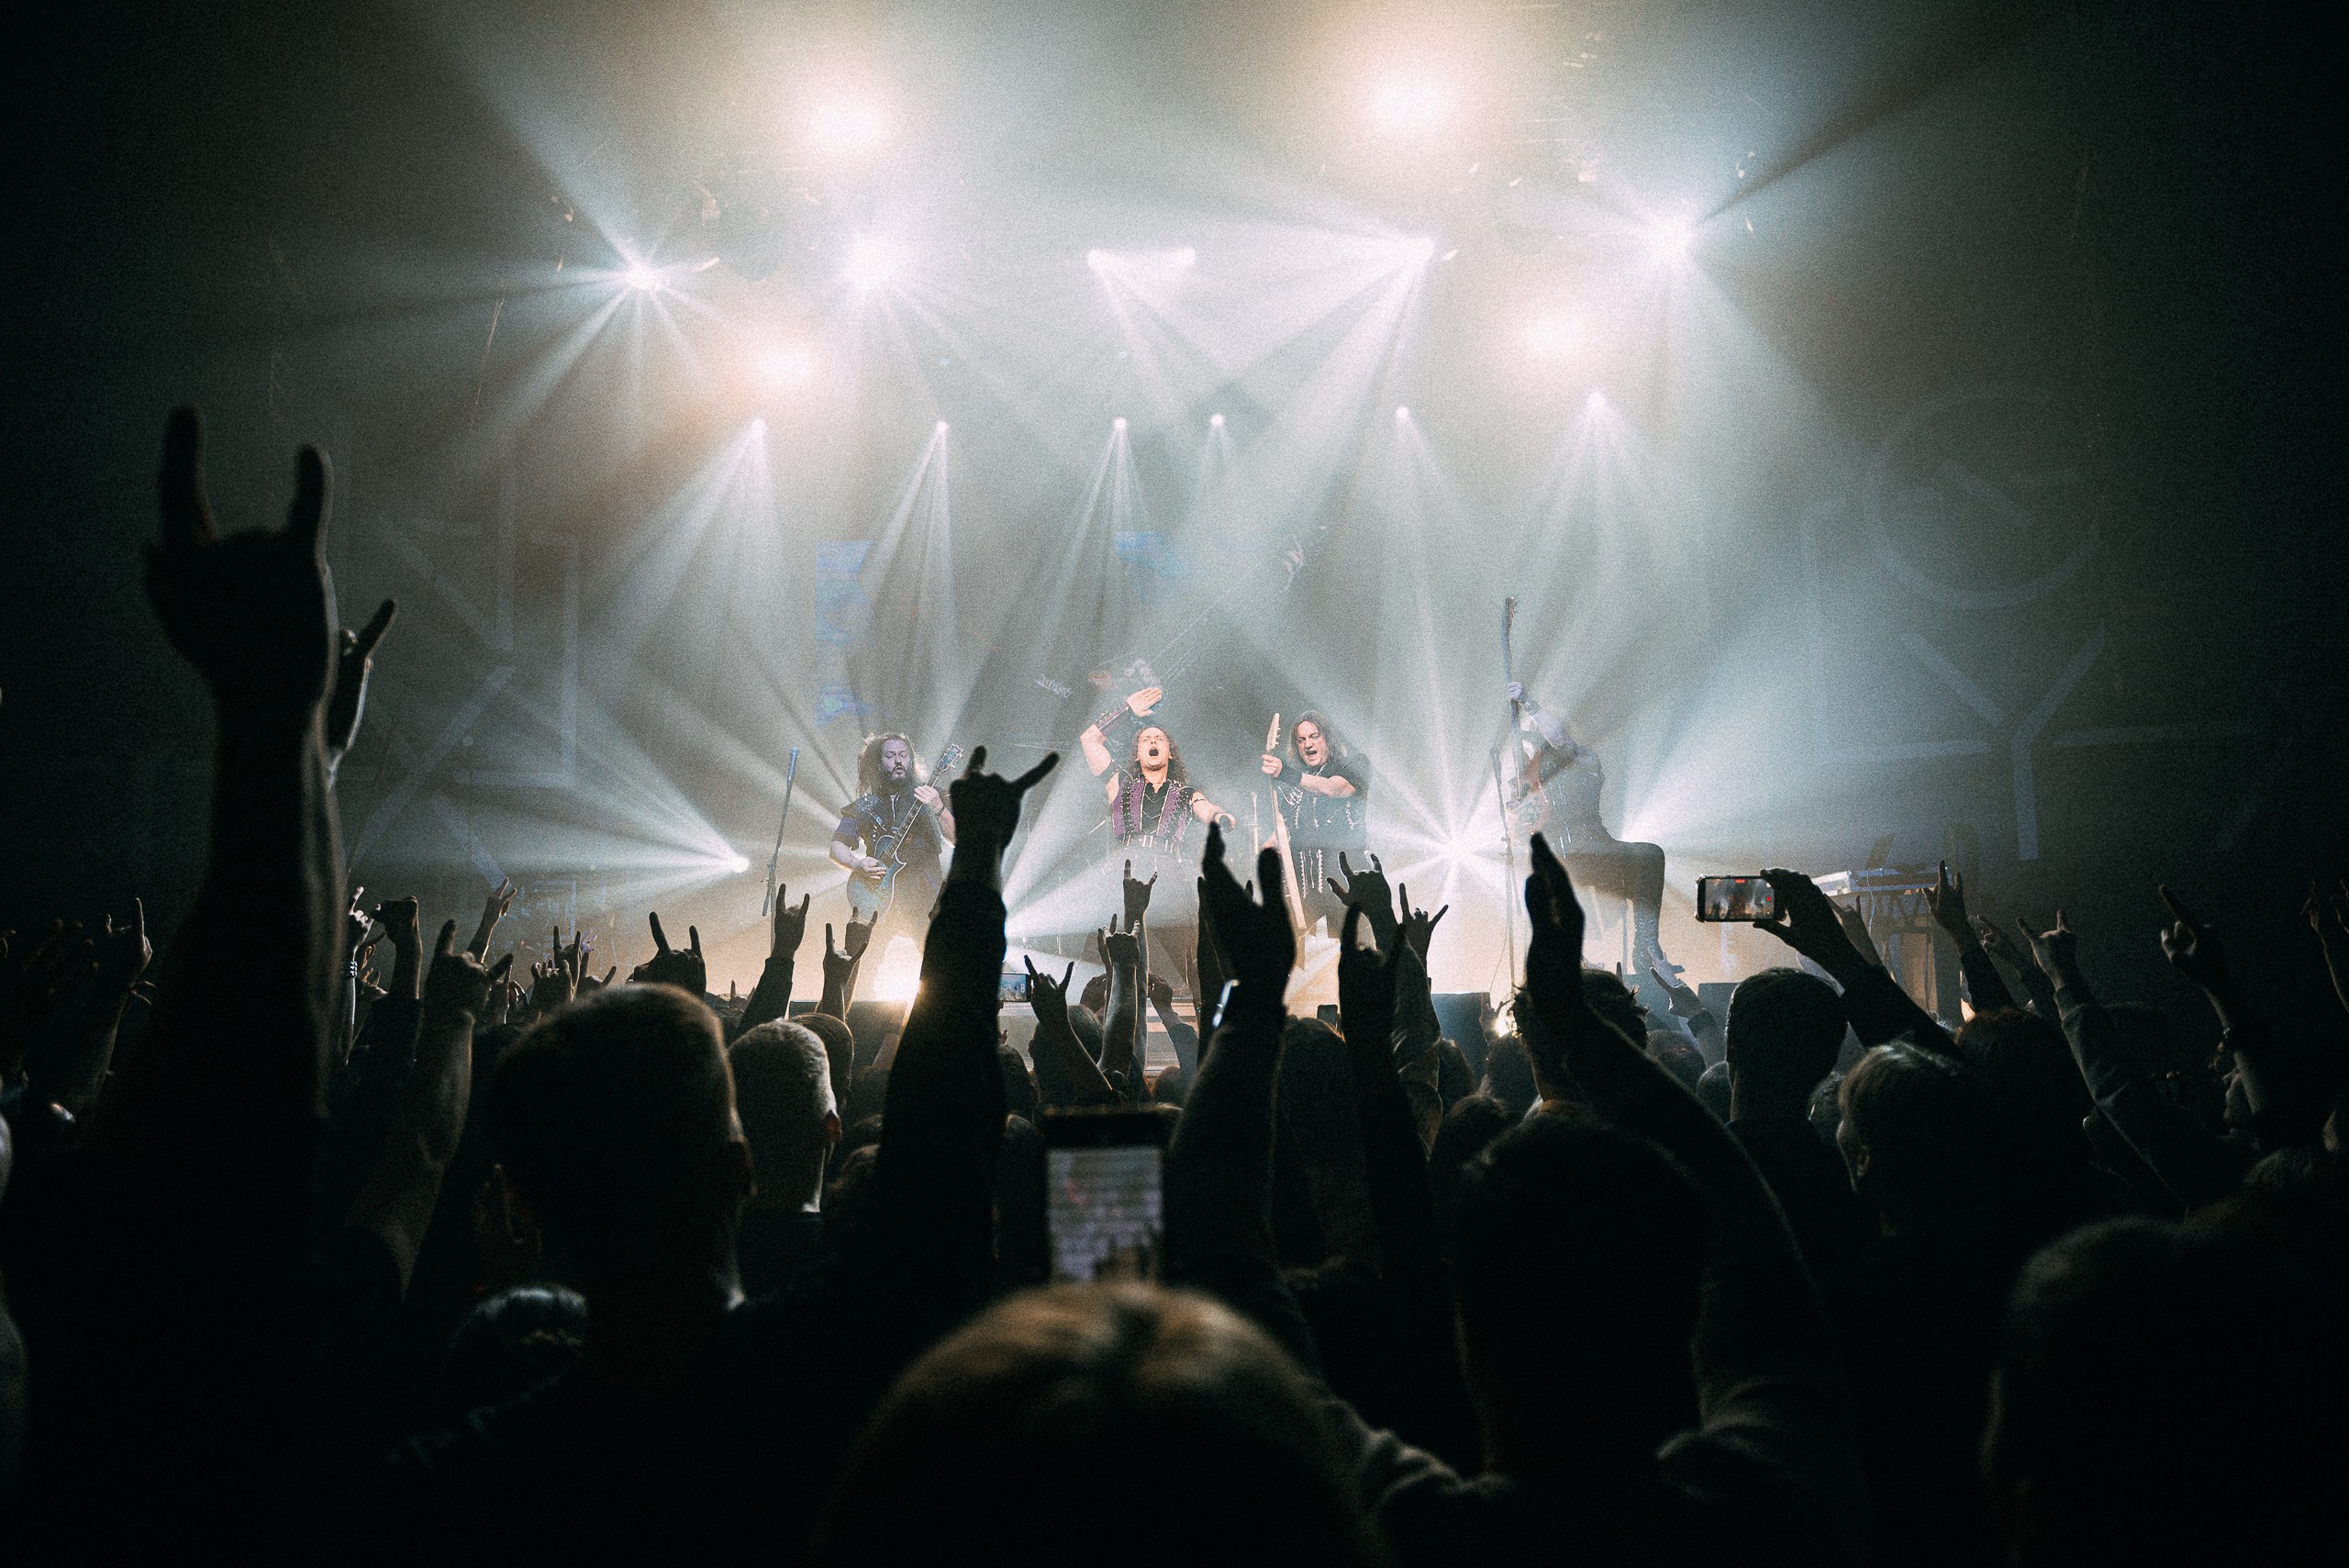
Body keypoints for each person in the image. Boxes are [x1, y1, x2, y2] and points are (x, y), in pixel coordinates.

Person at [1502, 680, 1674, 991]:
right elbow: (1520, 836)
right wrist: (1521, 815)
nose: (1533, 746)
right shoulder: (1528, 781)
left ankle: (1646, 945)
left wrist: (1528, 702)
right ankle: (1572, 960)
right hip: (1561, 860)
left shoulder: (1583, 759)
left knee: (1649, 854)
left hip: (1597, 851)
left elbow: (1559, 740)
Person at [829, 733, 955, 973]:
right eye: (890, 756)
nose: (898, 761)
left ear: (911, 760)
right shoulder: (866, 805)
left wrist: (938, 807)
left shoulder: (932, 794)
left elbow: (957, 838)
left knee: (937, 969)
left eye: (903, 755)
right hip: (875, 897)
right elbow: (837, 845)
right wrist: (857, 864)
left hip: (925, 897)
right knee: (859, 968)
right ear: (879, 763)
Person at [1259, 710, 1369, 931]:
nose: (1307, 744)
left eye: (1314, 736)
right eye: (1301, 740)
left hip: (1347, 882)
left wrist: (1286, 773)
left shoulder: (1355, 765)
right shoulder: (1302, 785)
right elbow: (1289, 823)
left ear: (1327, 738)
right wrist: (1272, 844)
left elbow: (1333, 789)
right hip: (1307, 888)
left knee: (1357, 952)